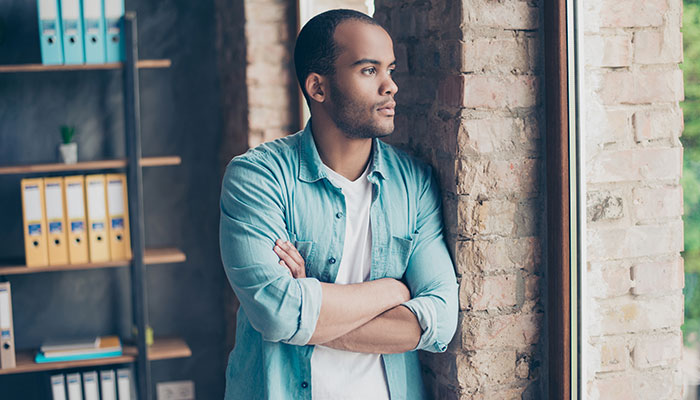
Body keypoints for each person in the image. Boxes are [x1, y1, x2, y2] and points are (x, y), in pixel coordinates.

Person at [219, 9, 458, 399]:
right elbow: (276, 313)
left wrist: (309, 306)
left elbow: (439, 321)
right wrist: (393, 291)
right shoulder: (258, 178)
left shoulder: (414, 184)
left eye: (391, 70)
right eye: (369, 70)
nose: (391, 86)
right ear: (318, 87)